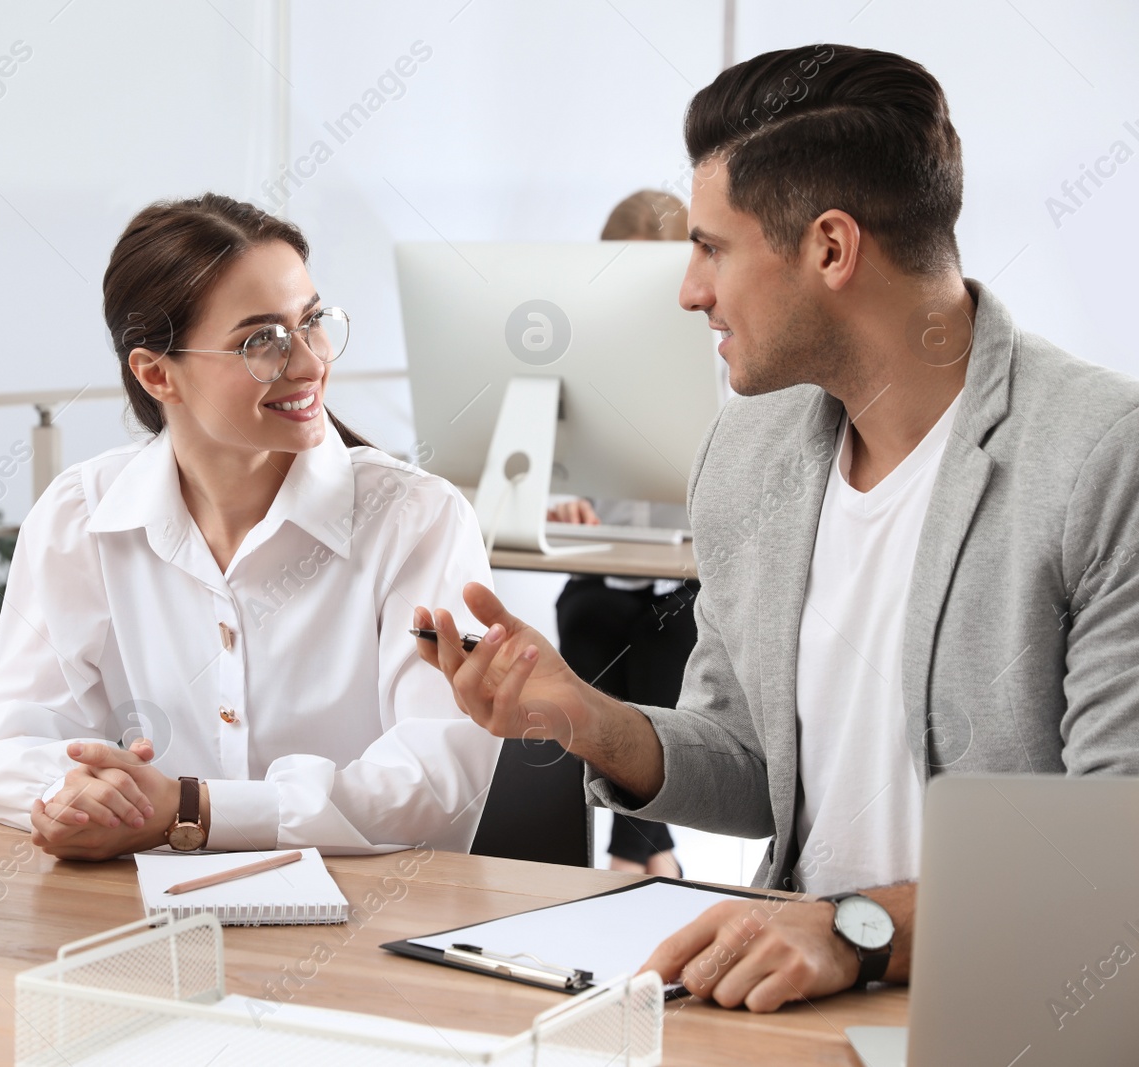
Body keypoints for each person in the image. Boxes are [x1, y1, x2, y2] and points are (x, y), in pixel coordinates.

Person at [416, 43, 1139, 1012]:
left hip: (1023, 1008)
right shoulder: (750, 451)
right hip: (788, 1004)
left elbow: (1118, 854)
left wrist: (852, 929)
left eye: (711, 246)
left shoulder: (1100, 457)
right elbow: (753, 759)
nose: (687, 290)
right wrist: (591, 720)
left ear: (830, 249)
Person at [0, 193, 500, 861]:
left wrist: (189, 810)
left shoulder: (417, 520)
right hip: (135, 920)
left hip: (363, 930)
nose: (308, 363)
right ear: (158, 373)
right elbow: (8, 749)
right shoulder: (80, 517)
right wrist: (79, 798)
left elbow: (432, 786)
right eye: (261, 341)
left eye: (311, 322)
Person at [549, 188, 699, 879]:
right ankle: (649, 857)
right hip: (600, 577)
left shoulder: (724, 353)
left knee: (662, 666)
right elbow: (550, 458)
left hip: (686, 584)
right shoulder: (579, 352)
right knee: (584, 632)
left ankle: (628, 857)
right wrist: (563, 498)